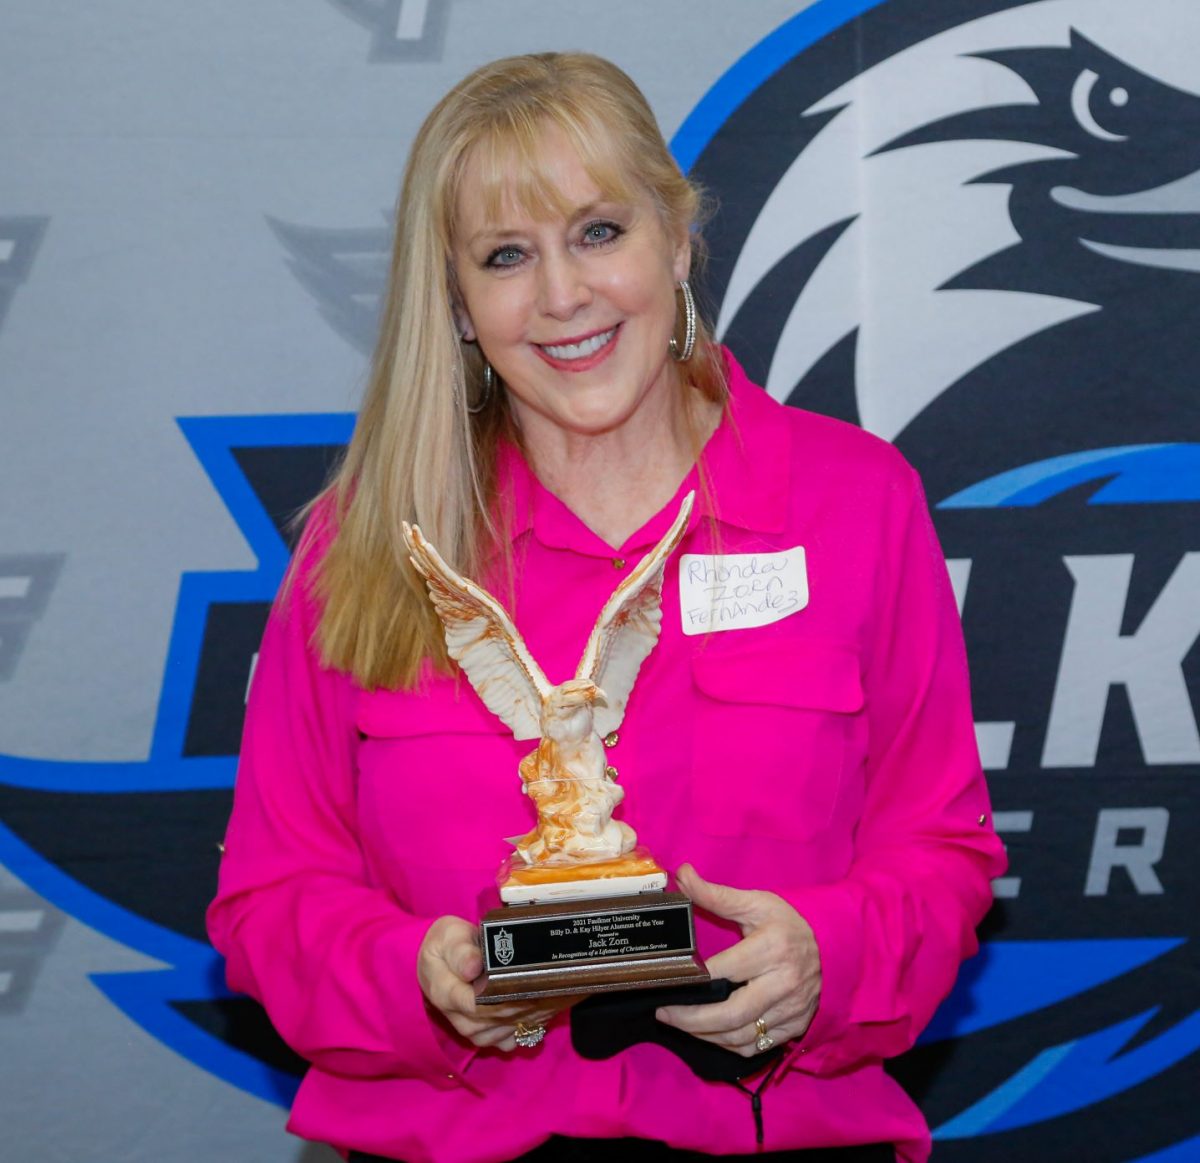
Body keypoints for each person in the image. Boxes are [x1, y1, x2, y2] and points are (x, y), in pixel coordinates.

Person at [207, 52, 1006, 1163]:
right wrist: (418, 977)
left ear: (675, 240)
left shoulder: (855, 500)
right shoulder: (370, 541)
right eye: (505, 256)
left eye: (597, 233)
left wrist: (828, 954)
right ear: (459, 303)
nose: (563, 296)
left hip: (776, 1133)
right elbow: (270, 896)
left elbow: (941, 846)